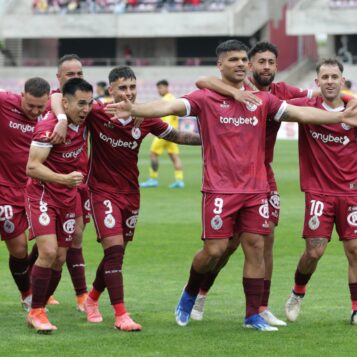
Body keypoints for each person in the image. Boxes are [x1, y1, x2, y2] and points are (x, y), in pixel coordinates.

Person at [105, 40, 357, 331]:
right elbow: (169, 105)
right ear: (220, 65)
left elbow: (300, 113)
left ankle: (253, 314)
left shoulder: (264, 99)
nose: (240, 64)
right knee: (215, 250)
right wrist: (136, 107)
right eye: (233, 59)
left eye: (242, 59)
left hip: (256, 187)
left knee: (256, 245)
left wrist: (339, 115)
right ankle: (191, 292)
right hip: (220, 189)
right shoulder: (205, 97)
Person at [190, 41, 316, 326]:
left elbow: (319, 95)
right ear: (250, 65)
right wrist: (234, 91)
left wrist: (348, 102)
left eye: (272, 62)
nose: (267, 67)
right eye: (261, 62)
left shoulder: (282, 92)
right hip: (230, 177)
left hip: (263, 176)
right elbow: (203, 80)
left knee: (264, 240)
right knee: (227, 246)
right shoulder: (239, 88)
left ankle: (260, 307)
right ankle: (201, 292)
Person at [76, 65, 201, 332]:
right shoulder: (97, 113)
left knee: (116, 254)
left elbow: (177, 135)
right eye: (122, 88)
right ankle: (121, 314)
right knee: (114, 250)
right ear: (110, 90)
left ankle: (92, 299)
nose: (128, 93)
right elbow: (67, 106)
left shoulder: (144, 117)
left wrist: (214, 138)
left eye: (132, 87)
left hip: (131, 193)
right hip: (101, 191)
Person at [284, 59, 357, 325]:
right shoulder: (306, 107)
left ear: (342, 80)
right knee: (314, 252)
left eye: (333, 77)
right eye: (324, 77)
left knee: (355, 250)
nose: (329, 81)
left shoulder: (354, 109)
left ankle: (356, 308)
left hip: (352, 192)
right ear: (317, 83)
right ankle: (297, 292)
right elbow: (277, 95)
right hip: (318, 192)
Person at [25, 77, 93, 333]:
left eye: (89, 103)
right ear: (65, 103)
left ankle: (37, 305)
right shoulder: (48, 128)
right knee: (49, 252)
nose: (86, 109)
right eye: (80, 104)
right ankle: (36, 311)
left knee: (60, 258)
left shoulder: (84, 121)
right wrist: (63, 179)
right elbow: (32, 167)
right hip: (43, 194)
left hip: (68, 197)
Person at [0, 77, 50, 312]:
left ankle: (34, 280)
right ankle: (27, 294)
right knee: (18, 248)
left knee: (51, 244)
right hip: (6, 190)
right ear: (22, 96)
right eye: (30, 105)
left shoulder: (52, 112)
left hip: (39, 189)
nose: (35, 111)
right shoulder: (4, 102)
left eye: (40, 107)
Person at [140, 79, 185, 189]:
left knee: (153, 154)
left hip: (165, 133)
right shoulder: (174, 99)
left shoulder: (166, 101)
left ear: (166, 87)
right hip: (174, 134)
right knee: (174, 156)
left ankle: (153, 179)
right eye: (158, 88)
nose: (159, 90)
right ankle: (179, 180)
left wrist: (163, 132)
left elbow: (168, 119)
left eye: (160, 88)